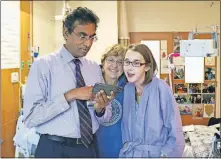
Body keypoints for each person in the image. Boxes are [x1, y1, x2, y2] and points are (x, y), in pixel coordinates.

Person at [23, 7, 114, 158]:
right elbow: (31, 118)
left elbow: (105, 116)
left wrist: (100, 109)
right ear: (66, 33)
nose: (88, 43)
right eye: (82, 36)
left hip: (87, 148)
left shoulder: (93, 68)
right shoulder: (43, 66)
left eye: (92, 37)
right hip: (54, 149)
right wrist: (70, 95)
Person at [119, 44, 185, 158]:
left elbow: (175, 131)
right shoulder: (127, 89)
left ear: (147, 66)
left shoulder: (161, 88)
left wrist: (165, 154)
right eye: (127, 62)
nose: (129, 68)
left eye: (136, 63)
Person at [96, 44, 127, 157]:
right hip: (93, 149)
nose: (115, 65)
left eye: (120, 62)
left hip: (121, 150)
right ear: (103, 63)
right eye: (110, 60)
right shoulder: (91, 84)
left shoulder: (129, 88)